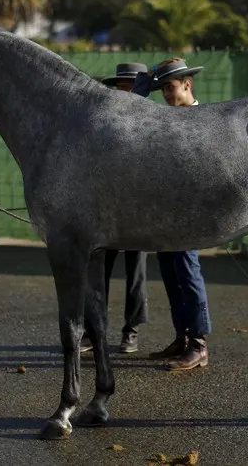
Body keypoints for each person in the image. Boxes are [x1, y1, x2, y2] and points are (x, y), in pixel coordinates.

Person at [143, 57, 213, 371]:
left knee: (188, 271)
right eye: (164, 91)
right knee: (171, 273)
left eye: (172, 88)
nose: (168, 96)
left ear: (188, 84)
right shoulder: (166, 118)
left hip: (188, 210)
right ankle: (182, 338)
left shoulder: (204, 119)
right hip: (164, 210)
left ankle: (199, 344)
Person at [80, 62, 151, 355]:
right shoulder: (103, 121)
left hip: (139, 209)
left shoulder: (152, 120)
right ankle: (93, 331)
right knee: (98, 271)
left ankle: (131, 330)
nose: (126, 91)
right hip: (106, 210)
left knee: (136, 273)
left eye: (131, 85)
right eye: (122, 86)